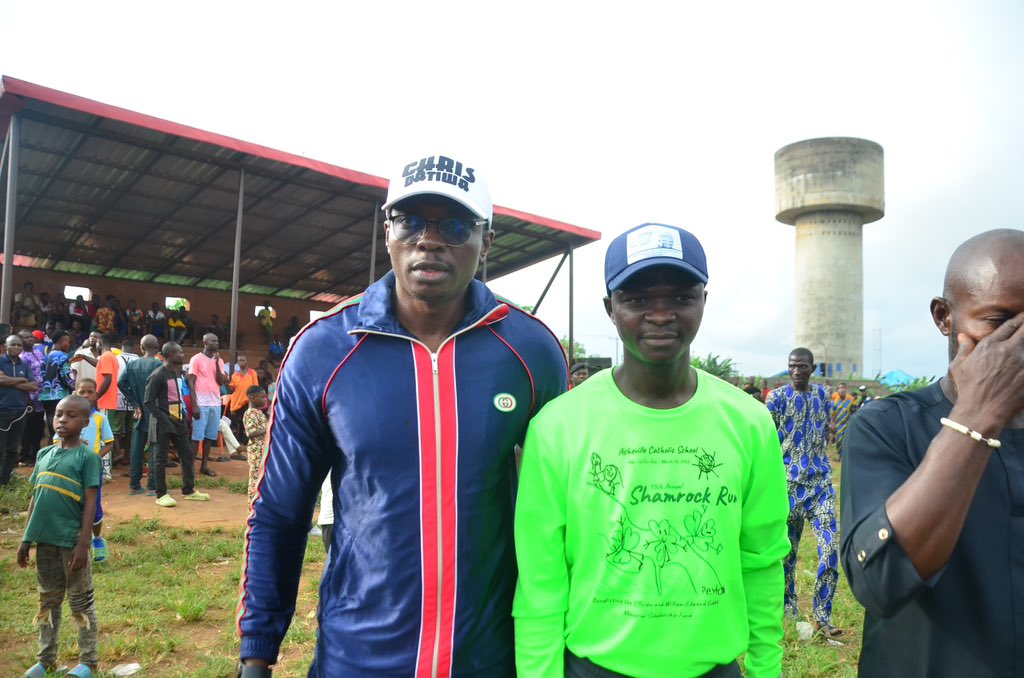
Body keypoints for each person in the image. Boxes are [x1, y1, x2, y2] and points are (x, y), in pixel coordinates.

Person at [236, 154, 568, 676]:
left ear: (487, 243)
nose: (429, 241)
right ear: (387, 231)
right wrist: (257, 654)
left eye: (455, 226)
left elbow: (563, 516)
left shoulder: (531, 352)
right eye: (410, 221)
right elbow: (280, 511)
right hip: (358, 657)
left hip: (488, 659)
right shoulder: (324, 350)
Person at [513, 223, 790, 678]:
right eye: (638, 300)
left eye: (681, 297)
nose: (660, 315)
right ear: (610, 307)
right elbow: (541, 585)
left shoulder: (749, 424)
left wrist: (766, 668)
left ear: (703, 301)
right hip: (593, 669)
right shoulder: (558, 428)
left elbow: (761, 559)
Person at [840, 229, 1024, 676]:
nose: (1016, 348)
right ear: (945, 317)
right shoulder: (887, 427)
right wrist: (976, 418)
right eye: (1000, 323)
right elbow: (879, 581)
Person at [17, 394, 101, 678]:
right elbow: (35, 499)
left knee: (80, 602)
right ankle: (46, 659)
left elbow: (91, 502)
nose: (63, 420)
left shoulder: (87, 458)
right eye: (59, 414)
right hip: (45, 542)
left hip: (71, 543)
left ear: (85, 422)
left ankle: (88, 662)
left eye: (71, 415)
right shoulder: (43, 455)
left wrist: (83, 542)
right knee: (48, 601)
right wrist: (26, 538)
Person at [765, 348, 841, 637]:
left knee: (830, 548)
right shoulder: (777, 398)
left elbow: (825, 432)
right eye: (792, 366)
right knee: (788, 554)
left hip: (820, 484)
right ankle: (788, 606)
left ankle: (823, 615)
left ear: (813, 368)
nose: (797, 371)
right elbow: (765, 439)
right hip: (787, 486)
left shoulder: (823, 396)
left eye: (803, 366)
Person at [145, 342, 209, 508]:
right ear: (171, 355)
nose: (182, 355)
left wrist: (184, 416)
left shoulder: (176, 373)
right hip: (162, 424)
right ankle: (161, 494)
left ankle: (189, 490)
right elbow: (149, 402)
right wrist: (164, 419)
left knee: (187, 455)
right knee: (160, 459)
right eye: (180, 353)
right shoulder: (157, 375)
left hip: (179, 421)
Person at [59, 378, 113, 563]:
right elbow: (56, 440)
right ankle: (74, 540)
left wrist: (96, 457)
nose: (86, 395)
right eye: (82, 392)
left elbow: (109, 442)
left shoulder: (100, 418)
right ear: (75, 393)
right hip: (70, 469)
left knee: (94, 505)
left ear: (96, 395)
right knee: (71, 503)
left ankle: (97, 539)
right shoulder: (65, 417)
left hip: (91, 469)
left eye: (90, 392)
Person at [118, 335, 163, 496]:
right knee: (154, 448)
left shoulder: (133, 365)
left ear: (142, 348)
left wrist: (135, 403)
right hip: (155, 412)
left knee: (136, 449)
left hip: (139, 412)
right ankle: (152, 486)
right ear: (157, 347)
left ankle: (134, 485)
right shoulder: (159, 365)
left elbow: (121, 383)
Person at [186, 333, 227, 477]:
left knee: (210, 437)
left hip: (215, 403)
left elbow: (221, 382)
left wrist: (216, 363)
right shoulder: (196, 359)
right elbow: (190, 381)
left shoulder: (220, 361)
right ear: (205, 342)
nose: (216, 343)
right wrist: (194, 404)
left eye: (217, 340)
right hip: (201, 403)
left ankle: (204, 466)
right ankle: (189, 468)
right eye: (213, 341)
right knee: (197, 437)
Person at [0, 334, 38, 484]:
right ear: (6, 346)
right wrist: (22, 381)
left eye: (19, 345)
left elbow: (34, 386)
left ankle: (5, 482)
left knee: (12, 449)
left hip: (20, 411)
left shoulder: (24, 365)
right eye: (13, 345)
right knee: (0, 448)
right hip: (2, 410)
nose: (16, 348)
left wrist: (9, 381)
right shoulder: (1, 362)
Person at [18, 330, 47, 467]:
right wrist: (29, 401)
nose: (30, 339)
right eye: (26, 337)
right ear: (20, 340)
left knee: (38, 428)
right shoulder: (21, 357)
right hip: (30, 399)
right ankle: (25, 455)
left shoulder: (39, 352)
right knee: (28, 428)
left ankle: (36, 453)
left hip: (42, 397)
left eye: (31, 337)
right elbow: (22, 380)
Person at [93, 335, 121, 468]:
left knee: (105, 438)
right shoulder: (109, 357)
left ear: (99, 343)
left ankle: (106, 471)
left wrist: (96, 396)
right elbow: (98, 366)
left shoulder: (106, 356)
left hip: (105, 402)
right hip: (108, 402)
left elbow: (108, 379)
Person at [40, 331, 74, 436]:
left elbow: (42, 374)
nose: (69, 345)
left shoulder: (47, 356)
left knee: (51, 427)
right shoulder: (63, 356)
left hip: (46, 396)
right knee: (60, 430)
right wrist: (74, 385)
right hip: (60, 395)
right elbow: (68, 378)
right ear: (61, 342)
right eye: (67, 342)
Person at [242, 385, 268, 504]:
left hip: (262, 450)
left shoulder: (259, 413)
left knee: (263, 480)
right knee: (255, 481)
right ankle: (253, 509)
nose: (265, 399)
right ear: (252, 398)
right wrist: (269, 428)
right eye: (262, 397)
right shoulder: (250, 413)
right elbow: (251, 433)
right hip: (256, 451)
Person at [227, 355, 259, 450]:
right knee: (238, 423)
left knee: (248, 422)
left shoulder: (252, 373)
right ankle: (238, 442)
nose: (241, 362)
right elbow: (232, 388)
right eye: (239, 361)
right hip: (237, 402)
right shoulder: (235, 375)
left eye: (243, 360)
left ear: (246, 361)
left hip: (248, 402)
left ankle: (247, 442)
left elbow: (255, 387)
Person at [830, 382, 856, 459]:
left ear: (846, 391)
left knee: (847, 441)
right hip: (838, 425)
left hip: (848, 424)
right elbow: (832, 415)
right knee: (838, 441)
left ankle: (845, 457)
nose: (842, 391)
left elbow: (854, 413)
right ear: (838, 392)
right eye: (840, 390)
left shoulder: (850, 403)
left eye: (843, 390)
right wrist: (832, 424)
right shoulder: (834, 403)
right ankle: (840, 455)